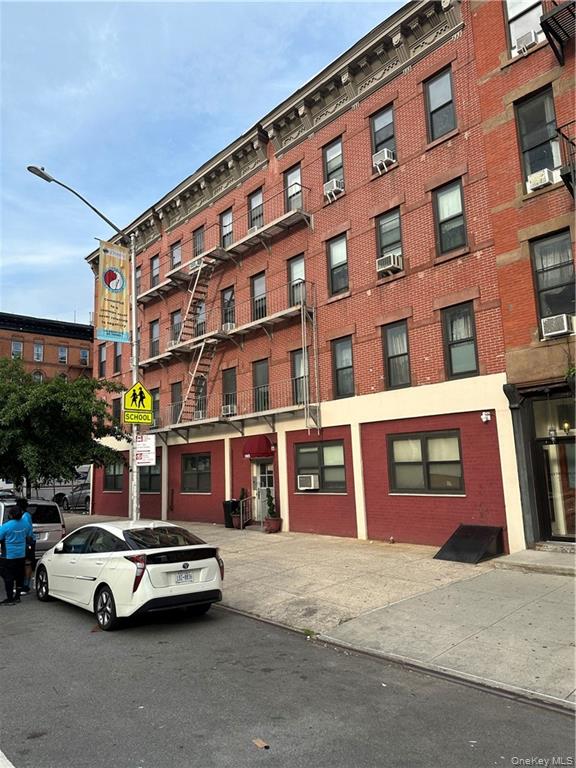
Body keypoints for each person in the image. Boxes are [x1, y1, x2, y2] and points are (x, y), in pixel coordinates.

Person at [0, 498, 33, 605]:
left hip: (8, 555)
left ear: (11, 515)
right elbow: (29, 536)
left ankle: (10, 598)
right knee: (19, 576)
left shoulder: (6, 526)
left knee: (7, 576)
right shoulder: (25, 524)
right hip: (21, 554)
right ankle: (17, 596)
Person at [20, 498, 36, 594]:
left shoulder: (25, 516)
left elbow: (27, 531)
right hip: (26, 541)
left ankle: (26, 586)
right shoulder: (25, 515)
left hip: (27, 542)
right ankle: (23, 584)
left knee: (27, 563)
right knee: (24, 563)